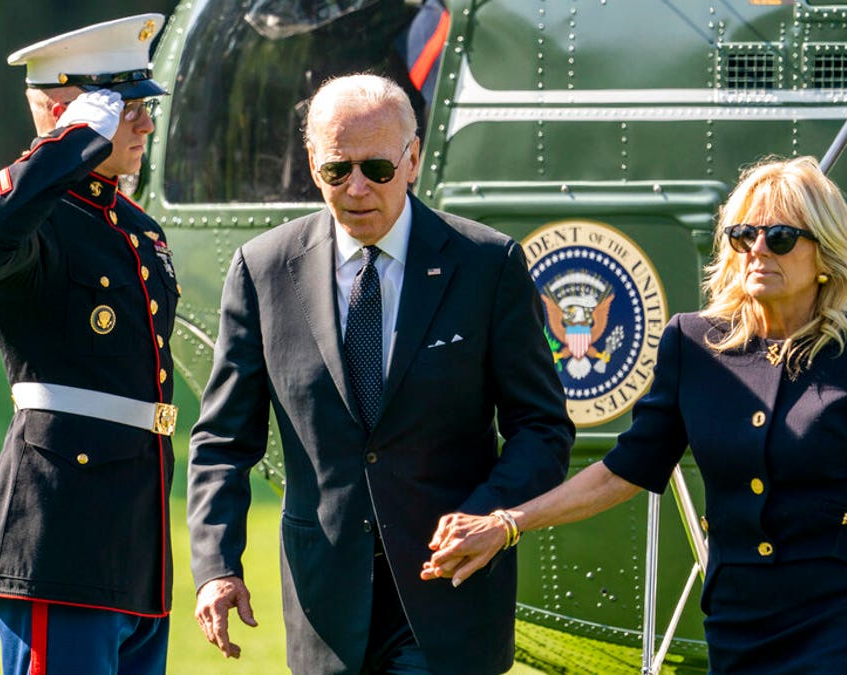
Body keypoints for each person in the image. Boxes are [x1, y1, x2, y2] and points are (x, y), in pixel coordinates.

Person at [421, 156, 847, 674]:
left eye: (780, 236)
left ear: (825, 253)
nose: (758, 249)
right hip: (741, 616)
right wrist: (508, 522)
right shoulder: (692, 344)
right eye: (744, 235)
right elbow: (626, 469)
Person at [187, 73, 574, 674]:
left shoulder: (486, 265)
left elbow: (543, 428)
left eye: (378, 169)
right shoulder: (262, 270)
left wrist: (492, 518)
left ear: (413, 158)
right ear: (312, 163)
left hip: (447, 598)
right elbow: (222, 440)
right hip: (325, 608)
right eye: (338, 170)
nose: (358, 188)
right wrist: (216, 566)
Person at [0, 14, 179, 675]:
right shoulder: (35, 225)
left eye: (142, 107)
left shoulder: (135, 229)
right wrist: (67, 141)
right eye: (124, 108)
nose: (143, 124)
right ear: (64, 112)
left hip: (134, 531)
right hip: (61, 528)